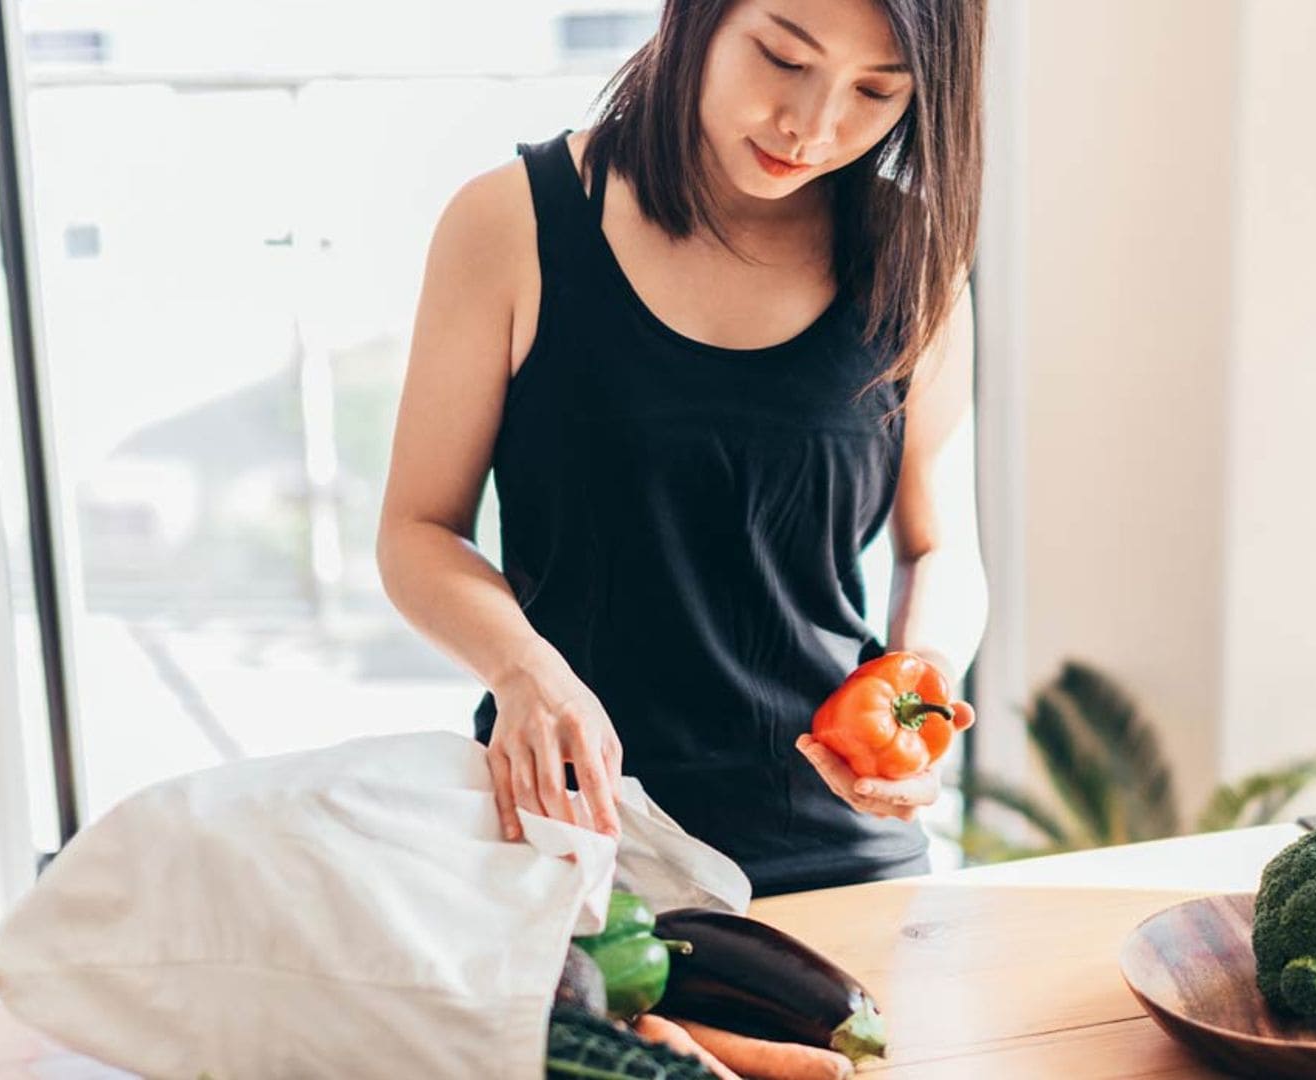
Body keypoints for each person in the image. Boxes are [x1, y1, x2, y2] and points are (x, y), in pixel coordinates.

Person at [376, 0, 988, 897]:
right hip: (576, 842)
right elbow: (417, 531)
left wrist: (920, 689)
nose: (812, 126)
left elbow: (938, 546)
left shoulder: (915, 254)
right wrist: (525, 671)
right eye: (783, 58)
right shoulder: (512, 223)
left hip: (844, 854)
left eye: (875, 91)